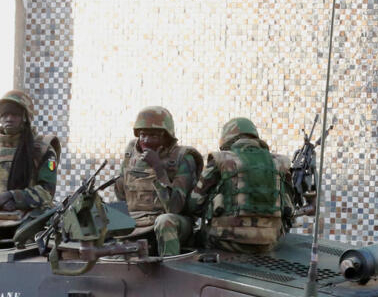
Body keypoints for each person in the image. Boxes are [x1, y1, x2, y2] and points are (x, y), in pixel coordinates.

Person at [0, 90, 61, 249]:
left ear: (25, 117)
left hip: (31, 214)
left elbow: (46, 191)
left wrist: (13, 197)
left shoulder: (42, 149)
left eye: (14, 114)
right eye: (4, 114)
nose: (8, 118)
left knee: (26, 242)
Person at [188, 117, 293, 253]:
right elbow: (289, 208)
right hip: (269, 243)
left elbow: (194, 204)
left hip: (223, 242)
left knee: (189, 238)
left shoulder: (221, 159)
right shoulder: (281, 163)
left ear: (226, 140)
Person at [113, 106, 202, 257]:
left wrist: (158, 169)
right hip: (139, 220)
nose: (146, 141)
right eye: (142, 135)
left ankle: (170, 270)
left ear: (166, 137)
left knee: (164, 221)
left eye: (153, 136)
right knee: (107, 217)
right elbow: (122, 197)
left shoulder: (183, 157)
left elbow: (174, 208)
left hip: (174, 222)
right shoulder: (131, 153)